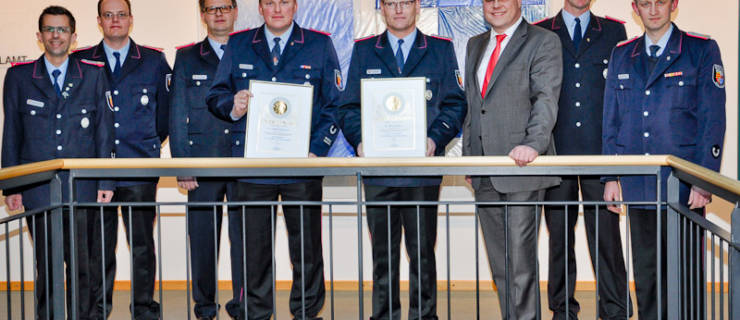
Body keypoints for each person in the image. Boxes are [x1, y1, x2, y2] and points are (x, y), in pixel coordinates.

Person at [206, 0, 341, 318]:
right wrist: (234, 107)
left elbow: (333, 104)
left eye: (284, 2)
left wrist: (316, 150)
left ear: (295, 6)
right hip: (253, 168)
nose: (277, 8)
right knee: (254, 252)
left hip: (302, 167)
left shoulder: (319, 44)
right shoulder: (239, 44)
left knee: (307, 250)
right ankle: (257, 313)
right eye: (270, 2)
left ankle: (307, 311)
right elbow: (215, 96)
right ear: (260, 8)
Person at [337, 0, 467, 318]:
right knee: (383, 254)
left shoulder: (439, 49)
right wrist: (360, 141)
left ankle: (424, 315)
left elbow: (455, 103)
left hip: (421, 172)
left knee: (422, 253)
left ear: (417, 7)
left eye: (404, 3)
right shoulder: (365, 50)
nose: (398, 10)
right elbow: (348, 107)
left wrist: (435, 139)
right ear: (381, 9)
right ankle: (384, 314)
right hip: (378, 172)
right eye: (391, 3)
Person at [602, 0, 726, 318]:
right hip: (638, 183)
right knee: (647, 277)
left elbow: (712, 120)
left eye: (660, 2)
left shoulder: (701, 50)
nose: (653, 10)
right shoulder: (621, 54)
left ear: (674, 5)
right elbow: (611, 120)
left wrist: (703, 180)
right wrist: (611, 176)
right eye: (645, 3)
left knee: (686, 274)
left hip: (684, 187)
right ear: (635, 8)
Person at [2, 6, 114, 319]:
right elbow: (11, 133)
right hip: (37, 190)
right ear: (39, 36)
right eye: (50, 30)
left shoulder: (92, 75)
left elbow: (104, 132)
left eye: (62, 30)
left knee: (83, 265)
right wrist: (11, 186)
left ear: (74, 37)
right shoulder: (20, 76)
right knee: (46, 265)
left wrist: (106, 182)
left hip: (81, 186)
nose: (56, 35)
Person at [462, 0, 562, 318]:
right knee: (501, 265)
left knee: (520, 265)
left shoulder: (543, 41)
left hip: (522, 166)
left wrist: (534, 144)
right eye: (488, 0)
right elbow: (473, 106)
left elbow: (545, 97)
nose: (495, 5)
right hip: (483, 169)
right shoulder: (475, 44)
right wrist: (468, 158)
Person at [72, 0, 171, 318]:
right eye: (108, 15)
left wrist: (147, 143)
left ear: (131, 19)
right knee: (98, 248)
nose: (115, 20)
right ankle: (97, 310)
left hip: (138, 168)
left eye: (121, 14)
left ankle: (144, 309)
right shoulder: (82, 60)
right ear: (99, 21)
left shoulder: (153, 60)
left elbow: (164, 115)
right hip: (96, 171)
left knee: (143, 246)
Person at [534, 1, 632, 318]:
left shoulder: (614, 31)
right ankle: (563, 309)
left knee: (606, 236)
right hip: (555, 153)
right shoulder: (542, 31)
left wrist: (617, 159)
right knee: (559, 237)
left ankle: (615, 308)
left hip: (600, 153)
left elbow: (621, 94)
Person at [169, 1, 243, 319]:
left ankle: (243, 305)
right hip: (202, 163)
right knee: (202, 241)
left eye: (225, 7)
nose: (219, 13)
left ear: (235, 11)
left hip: (244, 163)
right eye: (212, 8)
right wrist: (183, 164)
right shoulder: (187, 57)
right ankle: (205, 307)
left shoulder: (249, 51)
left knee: (245, 242)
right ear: (203, 15)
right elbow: (177, 112)